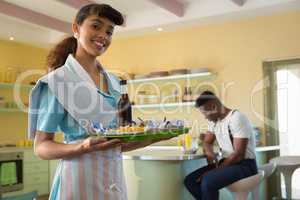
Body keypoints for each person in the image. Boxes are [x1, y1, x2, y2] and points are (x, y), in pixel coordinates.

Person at [28, 4, 165, 200]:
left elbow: (116, 143)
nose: (103, 35)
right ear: (76, 29)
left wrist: (153, 138)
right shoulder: (59, 82)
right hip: (78, 181)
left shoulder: (116, 84)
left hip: (114, 179)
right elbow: (41, 147)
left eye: (109, 32)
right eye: (96, 26)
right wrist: (82, 147)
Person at [184, 91, 257, 200]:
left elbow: (238, 154)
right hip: (227, 162)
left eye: (205, 113)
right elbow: (207, 142)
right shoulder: (214, 122)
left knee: (208, 181)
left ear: (214, 106)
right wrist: (210, 154)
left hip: (245, 165)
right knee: (190, 181)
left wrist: (214, 170)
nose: (204, 117)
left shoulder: (236, 118)